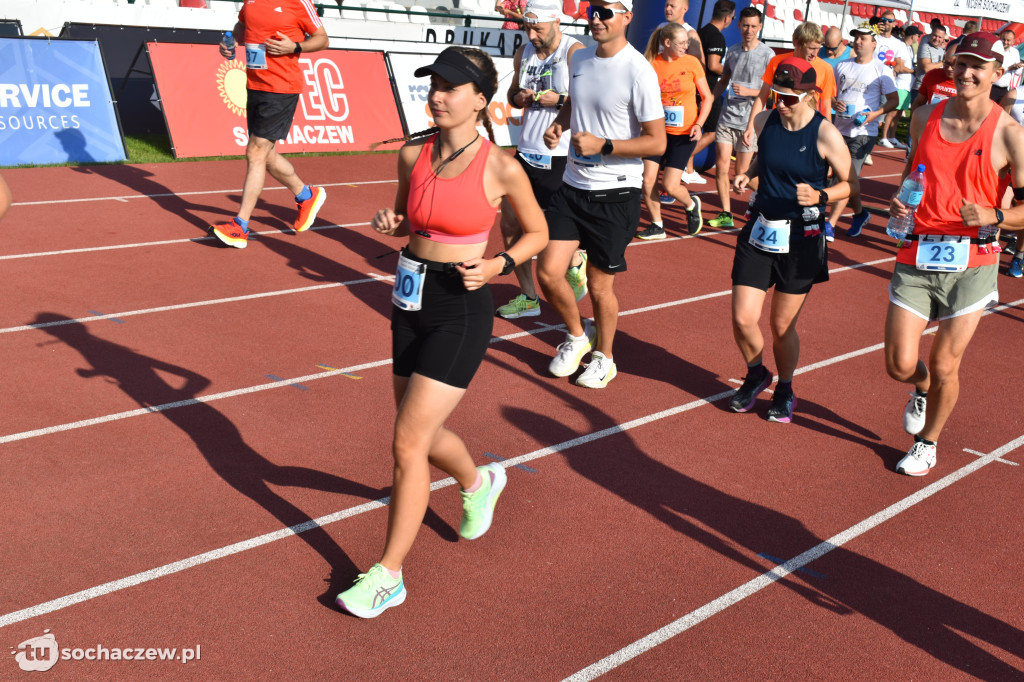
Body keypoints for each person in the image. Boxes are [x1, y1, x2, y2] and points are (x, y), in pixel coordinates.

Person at [335, 47, 548, 617]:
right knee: (419, 436)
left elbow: (536, 232)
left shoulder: (501, 166)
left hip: (462, 305)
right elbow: (407, 217)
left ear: (481, 100)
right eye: (434, 84)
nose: (437, 94)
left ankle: (388, 576)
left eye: (452, 87)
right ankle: (478, 484)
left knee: (406, 441)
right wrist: (391, 223)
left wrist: (499, 267)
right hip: (410, 298)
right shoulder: (414, 153)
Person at [885, 32, 1024, 476]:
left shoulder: (1010, 133)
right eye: (961, 63)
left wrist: (993, 215)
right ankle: (920, 388)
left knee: (947, 361)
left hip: (974, 259)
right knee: (899, 363)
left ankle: (928, 443)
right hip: (918, 249)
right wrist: (900, 200)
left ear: (996, 74)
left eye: (978, 66)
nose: (966, 73)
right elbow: (912, 173)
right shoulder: (925, 115)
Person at [537, 0, 665, 389]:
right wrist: (559, 124)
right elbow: (576, 102)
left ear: (627, 17)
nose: (596, 17)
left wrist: (604, 146)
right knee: (548, 271)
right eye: (593, 9)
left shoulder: (638, 71)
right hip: (574, 185)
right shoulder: (580, 60)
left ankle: (604, 358)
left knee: (598, 286)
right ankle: (578, 336)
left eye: (606, 11)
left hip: (615, 192)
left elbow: (657, 142)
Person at [729, 58, 851, 423]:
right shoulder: (765, 120)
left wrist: (822, 197)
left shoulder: (825, 133)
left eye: (789, 99)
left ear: (810, 95)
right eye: (776, 95)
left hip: (801, 237)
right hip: (761, 228)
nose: (780, 104)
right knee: (742, 318)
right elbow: (760, 164)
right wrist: (745, 176)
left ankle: (784, 387)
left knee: (781, 327)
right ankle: (755, 374)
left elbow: (852, 187)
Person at [210, 0, 329, 249]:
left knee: (255, 152)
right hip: (255, 85)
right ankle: (307, 195)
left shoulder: (298, 3)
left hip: (281, 88)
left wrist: (295, 46)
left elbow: (322, 39)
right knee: (268, 155)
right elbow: (242, 25)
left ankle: (239, 227)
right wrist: (231, 40)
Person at [497, 0, 585, 319]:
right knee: (509, 222)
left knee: (549, 235)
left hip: (560, 156)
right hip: (525, 151)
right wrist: (518, 97)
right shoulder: (524, 53)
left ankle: (575, 261)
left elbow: (590, 100)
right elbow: (511, 93)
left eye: (538, 28)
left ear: (556, 22)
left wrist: (559, 99)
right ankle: (528, 296)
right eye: (527, 27)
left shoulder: (575, 52)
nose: (531, 34)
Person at [638, 22, 711, 239]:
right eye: (681, 43)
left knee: (669, 186)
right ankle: (657, 225)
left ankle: (690, 203)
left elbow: (708, 97)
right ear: (667, 43)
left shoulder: (692, 63)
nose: (685, 47)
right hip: (657, 131)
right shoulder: (651, 63)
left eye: (687, 43)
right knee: (648, 180)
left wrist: (698, 124)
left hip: (684, 132)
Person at [826, 22, 898, 239]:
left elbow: (894, 100)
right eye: (856, 37)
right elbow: (830, 94)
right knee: (845, 180)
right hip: (839, 130)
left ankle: (830, 224)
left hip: (864, 133)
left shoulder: (882, 70)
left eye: (863, 38)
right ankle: (859, 213)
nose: (857, 41)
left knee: (846, 179)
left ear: (874, 43)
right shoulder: (842, 66)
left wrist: (875, 115)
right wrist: (834, 102)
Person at [707, 6, 774, 229]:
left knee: (742, 176)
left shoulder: (767, 54)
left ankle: (774, 199)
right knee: (721, 166)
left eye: (754, 26)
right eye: (745, 25)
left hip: (750, 121)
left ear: (760, 27)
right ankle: (726, 213)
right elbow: (724, 80)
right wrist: (708, 100)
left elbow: (770, 91)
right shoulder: (733, 51)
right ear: (738, 25)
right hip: (727, 117)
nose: (749, 30)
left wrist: (749, 92)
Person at [743, 22, 837, 148]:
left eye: (818, 48)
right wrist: (750, 126)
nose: (815, 53)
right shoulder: (777, 61)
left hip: (807, 129)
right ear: (797, 43)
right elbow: (762, 96)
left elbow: (826, 106)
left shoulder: (826, 69)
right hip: (779, 125)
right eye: (811, 48)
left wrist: (827, 139)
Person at [681, 0, 734, 186]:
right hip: (709, 90)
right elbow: (713, 65)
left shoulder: (700, 31)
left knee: (695, 128)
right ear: (727, 18)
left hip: (696, 88)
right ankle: (682, 160)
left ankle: (687, 169)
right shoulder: (716, 37)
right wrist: (731, 71)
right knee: (712, 132)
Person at [874, 9, 913, 149]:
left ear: (894, 23)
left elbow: (898, 64)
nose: (886, 23)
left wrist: (892, 66)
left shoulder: (898, 44)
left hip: (885, 82)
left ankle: (874, 142)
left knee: (879, 118)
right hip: (870, 80)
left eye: (890, 21)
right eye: (884, 20)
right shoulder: (873, 38)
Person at [1001, 82, 1024, 277]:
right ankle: (989, 247)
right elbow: (996, 125)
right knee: (1001, 206)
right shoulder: (1014, 95)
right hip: (1008, 163)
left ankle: (1019, 256)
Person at [911, 42, 957, 112]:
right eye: (947, 63)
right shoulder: (932, 75)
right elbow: (919, 103)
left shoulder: (967, 83)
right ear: (943, 59)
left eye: (954, 65)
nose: (949, 68)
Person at [915, 22, 947, 97]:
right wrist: (943, 62)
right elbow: (926, 68)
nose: (937, 39)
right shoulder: (925, 46)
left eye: (940, 37)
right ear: (931, 35)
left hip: (934, 91)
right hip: (920, 90)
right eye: (935, 36)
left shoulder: (941, 50)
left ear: (943, 39)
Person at [992, 28, 1023, 104]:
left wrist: (1017, 67)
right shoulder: (995, 50)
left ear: (1013, 41)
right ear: (1000, 39)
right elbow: (994, 69)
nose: (1005, 42)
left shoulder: (1015, 52)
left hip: (1005, 89)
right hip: (992, 87)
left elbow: (1018, 73)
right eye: (1003, 39)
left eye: (1008, 40)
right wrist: (1010, 67)